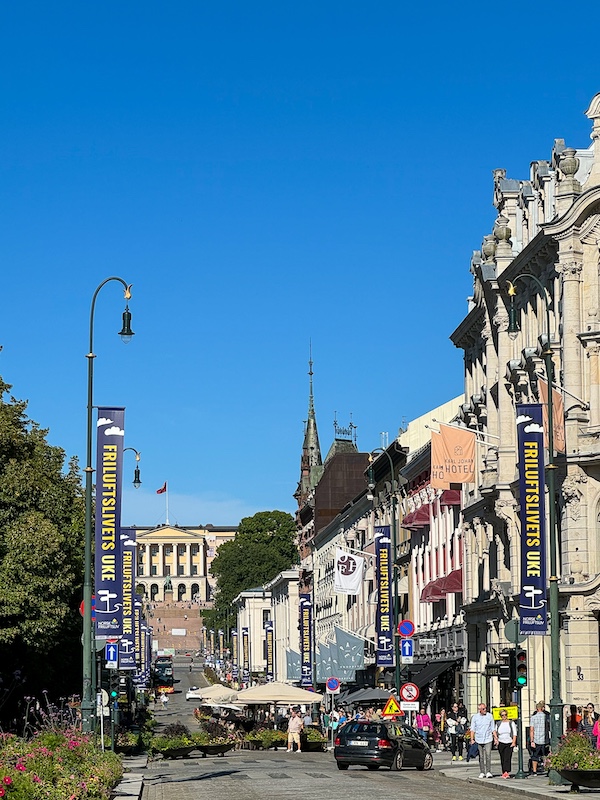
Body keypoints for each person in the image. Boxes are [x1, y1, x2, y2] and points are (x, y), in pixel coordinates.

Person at [470, 702, 496, 778]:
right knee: (481, 756)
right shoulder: (475, 717)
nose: (485, 710)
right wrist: (472, 739)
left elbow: (492, 728)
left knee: (488, 755)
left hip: (488, 738)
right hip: (478, 739)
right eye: (483, 709)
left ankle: (488, 771)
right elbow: (472, 729)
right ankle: (482, 771)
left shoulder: (490, 716)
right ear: (480, 710)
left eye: (485, 708)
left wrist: (496, 738)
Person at [530, 700, 550, 775]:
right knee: (546, 755)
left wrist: (532, 740)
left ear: (537, 708)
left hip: (536, 739)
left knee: (535, 756)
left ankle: (534, 771)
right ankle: (548, 770)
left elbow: (532, 730)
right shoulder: (547, 716)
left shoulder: (533, 717)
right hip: (545, 739)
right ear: (542, 708)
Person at [496, 709, 517, 778]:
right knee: (502, 757)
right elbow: (495, 732)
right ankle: (503, 771)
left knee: (507, 758)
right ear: (500, 716)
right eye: (502, 715)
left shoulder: (511, 723)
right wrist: (496, 740)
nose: (504, 716)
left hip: (509, 742)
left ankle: (507, 772)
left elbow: (514, 733)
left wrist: (513, 742)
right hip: (501, 742)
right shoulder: (498, 723)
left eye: (505, 715)